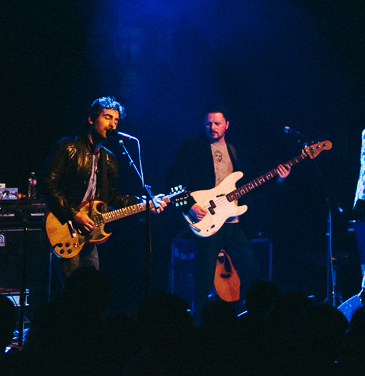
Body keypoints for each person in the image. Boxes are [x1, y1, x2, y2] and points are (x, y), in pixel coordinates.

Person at [166, 106, 290, 319]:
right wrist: (190, 206)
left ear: (227, 125)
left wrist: (279, 179)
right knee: (204, 276)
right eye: (208, 123)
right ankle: (198, 322)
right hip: (207, 221)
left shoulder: (237, 150)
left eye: (216, 123)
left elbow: (254, 183)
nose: (212, 127)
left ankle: (252, 317)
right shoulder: (192, 146)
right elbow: (173, 181)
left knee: (251, 269)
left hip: (233, 222)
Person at [40, 96, 166, 283]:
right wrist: (75, 214)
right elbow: (47, 185)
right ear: (91, 119)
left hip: (89, 234)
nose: (113, 124)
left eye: (116, 120)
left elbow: (112, 197)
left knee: (92, 288)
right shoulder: (67, 147)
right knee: (70, 290)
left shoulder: (109, 159)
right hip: (66, 225)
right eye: (107, 118)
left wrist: (143, 203)